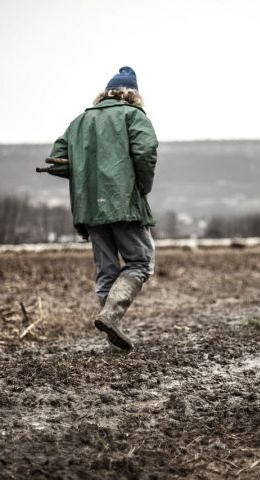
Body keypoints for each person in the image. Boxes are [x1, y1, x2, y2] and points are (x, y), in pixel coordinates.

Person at [48, 66, 158, 351]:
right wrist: (143, 187)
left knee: (107, 269)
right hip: (123, 203)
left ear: (105, 93)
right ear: (132, 95)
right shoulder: (133, 116)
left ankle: (111, 329)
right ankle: (111, 315)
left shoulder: (79, 121)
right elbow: (145, 152)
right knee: (140, 262)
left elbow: (57, 159)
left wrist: (86, 175)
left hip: (89, 209)